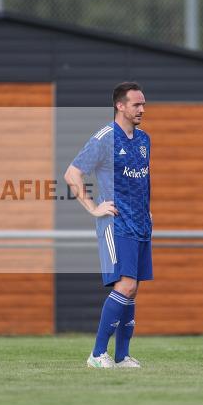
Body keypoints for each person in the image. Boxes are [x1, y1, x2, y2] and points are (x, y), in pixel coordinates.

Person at [64, 81, 152, 369]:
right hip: (116, 225)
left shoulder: (143, 141)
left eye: (143, 103)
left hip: (140, 224)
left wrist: (147, 211)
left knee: (132, 289)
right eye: (136, 104)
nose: (142, 108)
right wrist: (93, 208)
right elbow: (72, 174)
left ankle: (122, 356)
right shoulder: (105, 138)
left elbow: (141, 182)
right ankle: (97, 354)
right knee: (125, 285)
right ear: (120, 105)